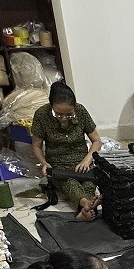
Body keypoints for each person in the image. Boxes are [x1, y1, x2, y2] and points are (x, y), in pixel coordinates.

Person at [31, 82, 103, 221]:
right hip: (58, 164)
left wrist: (87, 159)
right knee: (69, 183)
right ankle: (87, 204)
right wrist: (44, 163)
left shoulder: (81, 111)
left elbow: (97, 141)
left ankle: (85, 209)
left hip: (82, 162)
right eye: (58, 114)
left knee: (89, 182)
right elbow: (36, 145)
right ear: (51, 106)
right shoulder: (41, 114)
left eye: (69, 114)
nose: (64, 118)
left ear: (74, 108)